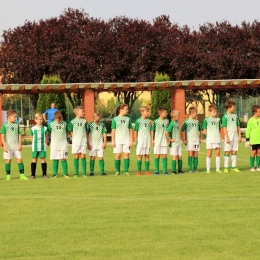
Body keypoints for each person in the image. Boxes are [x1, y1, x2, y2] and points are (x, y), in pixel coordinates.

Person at [1, 110, 28, 180]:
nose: (16, 118)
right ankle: (8, 176)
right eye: (14, 117)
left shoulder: (17, 125)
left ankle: (22, 175)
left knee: (20, 160)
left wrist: (20, 144)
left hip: (16, 146)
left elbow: (19, 135)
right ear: (9, 117)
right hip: (8, 147)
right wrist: (4, 146)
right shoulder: (4, 125)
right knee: (8, 161)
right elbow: (2, 136)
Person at [111, 104, 133, 176]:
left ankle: (126, 171)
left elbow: (130, 130)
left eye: (127, 109)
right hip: (118, 141)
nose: (127, 110)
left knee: (126, 155)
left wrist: (131, 140)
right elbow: (113, 131)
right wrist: (113, 141)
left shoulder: (128, 119)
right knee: (118, 155)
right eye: (126, 109)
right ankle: (117, 171)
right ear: (121, 110)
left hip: (126, 140)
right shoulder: (115, 119)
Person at [47, 111, 70, 178]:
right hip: (54, 145)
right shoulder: (51, 124)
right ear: (54, 118)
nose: (59, 120)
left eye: (60, 119)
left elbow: (67, 132)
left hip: (63, 144)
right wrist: (48, 139)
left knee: (63, 158)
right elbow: (48, 132)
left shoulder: (65, 123)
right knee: (55, 159)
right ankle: (55, 174)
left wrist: (63, 137)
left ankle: (65, 173)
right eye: (57, 119)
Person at [222, 100, 242, 173]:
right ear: (229, 107)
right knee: (227, 152)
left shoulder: (235, 116)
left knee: (234, 151)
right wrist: (226, 137)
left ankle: (234, 167)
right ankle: (226, 168)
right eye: (233, 107)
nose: (234, 108)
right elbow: (224, 128)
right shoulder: (225, 117)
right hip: (228, 136)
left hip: (235, 136)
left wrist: (239, 136)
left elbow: (238, 126)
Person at [181, 106, 202, 173]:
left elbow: (200, 130)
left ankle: (195, 169)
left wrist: (200, 138)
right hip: (190, 141)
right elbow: (182, 131)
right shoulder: (186, 121)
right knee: (190, 154)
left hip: (196, 141)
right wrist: (183, 140)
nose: (197, 114)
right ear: (192, 113)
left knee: (195, 153)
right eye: (196, 113)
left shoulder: (197, 121)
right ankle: (190, 169)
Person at [69, 106, 88, 178]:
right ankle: (76, 173)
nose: (83, 113)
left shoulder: (84, 121)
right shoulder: (72, 122)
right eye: (82, 112)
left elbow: (86, 131)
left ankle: (84, 173)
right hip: (76, 142)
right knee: (76, 156)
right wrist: (74, 137)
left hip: (83, 141)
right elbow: (71, 131)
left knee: (83, 156)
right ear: (77, 113)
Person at [202, 105, 222, 174]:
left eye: (216, 112)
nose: (215, 113)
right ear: (210, 112)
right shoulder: (206, 119)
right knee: (209, 153)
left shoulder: (218, 119)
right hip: (210, 139)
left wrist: (219, 136)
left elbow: (220, 128)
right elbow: (204, 129)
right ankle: (208, 169)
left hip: (217, 138)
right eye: (214, 112)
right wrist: (206, 134)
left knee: (218, 153)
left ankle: (218, 169)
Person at [134, 106, 152, 176]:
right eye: (146, 111)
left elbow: (151, 129)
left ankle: (147, 171)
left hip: (147, 141)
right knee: (140, 156)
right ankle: (139, 171)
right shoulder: (138, 121)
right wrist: (135, 140)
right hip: (141, 141)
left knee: (147, 155)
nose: (148, 113)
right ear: (142, 112)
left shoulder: (149, 121)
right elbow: (135, 131)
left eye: (148, 111)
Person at [30, 113, 49, 179]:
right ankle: (32, 175)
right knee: (34, 160)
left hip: (42, 147)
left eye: (41, 119)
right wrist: (33, 143)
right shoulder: (33, 128)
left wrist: (47, 141)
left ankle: (44, 174)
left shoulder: (45, 128)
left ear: (42, 120)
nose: (40, 121)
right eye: (38, 119)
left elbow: (47, 136)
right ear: (35, 120)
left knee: (43, 160)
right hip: (35, 147)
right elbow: (31, 136)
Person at [151, 107, 169, 175]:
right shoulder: (155, 121)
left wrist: (168, 139)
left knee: (164, 155)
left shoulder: (167, 121)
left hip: (164, 140)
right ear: (161, 113)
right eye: (165, 113)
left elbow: (167, 131)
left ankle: (165, 171)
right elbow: (152, 130)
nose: (166, 114)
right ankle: (156, 171)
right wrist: (152, 140)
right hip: (157, 141)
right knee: (157, 155)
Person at [166, 110, 183, 174]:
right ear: (174, 117)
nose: (179, 117)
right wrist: (169, 139)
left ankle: (180, 169)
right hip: (174, 143)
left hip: (178, 142)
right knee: (174, 156)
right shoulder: (172, 123)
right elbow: (167, 132)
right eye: (178, 116)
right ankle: (173, 171)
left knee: (180, 156)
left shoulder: (177, 122)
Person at [245, 105, 260, 171]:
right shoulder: (250, 120)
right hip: (253, 140)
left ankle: (258, 166)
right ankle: (252, 166)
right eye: (259, 111)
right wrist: (247, 140)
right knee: (253, 152)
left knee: (259, 152)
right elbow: (248, 130)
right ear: (255, 112)